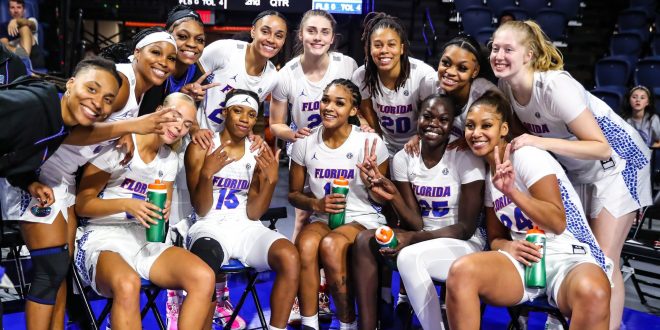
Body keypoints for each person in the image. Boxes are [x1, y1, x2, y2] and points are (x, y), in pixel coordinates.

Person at [490, 20, 651, 329]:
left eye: (508, 49)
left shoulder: (554, 86)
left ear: (529, 54)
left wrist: (539, 141)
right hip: (579, 169)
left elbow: (601, 148)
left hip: (620, 164)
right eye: (495, 48)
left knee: (603, 258)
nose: (498, 55)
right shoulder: (507, 88)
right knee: (581, 254)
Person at [445, 91, 611, 330]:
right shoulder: (490, 172)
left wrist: (513, 193)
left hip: (567, 254)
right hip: (525, 260)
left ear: (503, 129)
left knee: (593, 291)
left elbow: (556, 222)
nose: (476, 133)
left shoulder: (526, 156)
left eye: (486, 125)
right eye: (470, 126)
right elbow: (496, 238)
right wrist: (509, 246)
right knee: (462, 272)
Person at [74, 93, 215, 330]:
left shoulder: (169, 159)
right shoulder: (120, 146)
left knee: (204, 277)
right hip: (105, 236)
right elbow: (82, 205)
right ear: (160, 109)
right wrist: (127, 205)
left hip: (145, 239)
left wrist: (165, 209)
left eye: (187, 124)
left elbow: (162, 205)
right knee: (128, 284)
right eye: (176, 116)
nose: (179, 127)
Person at [352, 94, 486, 330]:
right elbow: (415, 222)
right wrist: (394, 195)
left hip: (463, 243)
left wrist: (414, 238)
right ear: (417, 118)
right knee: (364, 240)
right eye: (428, 116)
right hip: (423, 236)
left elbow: (465, 228)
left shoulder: (465, 158)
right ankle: (368, 325)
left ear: (452, 124)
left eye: (443, 119)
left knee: (408, 255)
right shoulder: (404, 157)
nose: (434, 123)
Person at [184, 89, 300, 330]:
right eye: (238, 111)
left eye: (250, 114)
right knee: (204, 270)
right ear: (225, 112)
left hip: (245, 226)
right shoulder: (202, 146)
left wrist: (271, 181)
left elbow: (254, 213)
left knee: (289, 256)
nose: (244, 119)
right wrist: (207, 173)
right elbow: (202, 208)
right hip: (209, 225)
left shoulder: (258, 150)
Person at [289, 78, 389, 330]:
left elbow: (381, 200)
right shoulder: (304, 142)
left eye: (339, 103)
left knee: (332, 246)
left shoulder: (371, 143)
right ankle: (310, 323)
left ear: (353, 111)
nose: (329, 107)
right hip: (323, 217)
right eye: (325, 100)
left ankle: (347, 322)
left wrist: (372, 183)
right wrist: (316, 204)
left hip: (362, 217)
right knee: (306, 243)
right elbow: (293, 194)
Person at [194, 10, 288, 146]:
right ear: (253, 31)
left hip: (225, 146)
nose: (271, 39)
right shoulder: (224, 50)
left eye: (279, 36)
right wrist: (194, 128)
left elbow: (249, 113)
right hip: (195, 137)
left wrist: (252, 134)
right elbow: (186, 86)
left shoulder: (272, 77)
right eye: (265, 31)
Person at [352, 12, 435, 156]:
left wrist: (420, 137)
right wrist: (377, 142)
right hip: (387, 143)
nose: (384, 50)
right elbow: (367, 113)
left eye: (391, 44)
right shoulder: (361, 76)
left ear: (402, 49)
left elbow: (433, 116)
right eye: (378, 45)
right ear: (369, 48)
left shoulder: (423, 75)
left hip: (420, 141)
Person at [407, 35, 497, 154]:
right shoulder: (430, 83)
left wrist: (469, 140)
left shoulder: (486, 95)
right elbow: (423, 116)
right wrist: (419, 135)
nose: (450, 72)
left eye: (462, 68)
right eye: (446, 63)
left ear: (475, 71)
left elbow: (499, 136)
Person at [0, 0, 45, 68]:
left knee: (24, 27)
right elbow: (4, 45)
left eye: (19, 7)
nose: (16, 10)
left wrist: (16, 21)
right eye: (12, 7)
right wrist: (21, 53)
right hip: (14, 60)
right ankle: (24, 58)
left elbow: (31, 24)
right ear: (9, 10)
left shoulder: (31, 20)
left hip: (33, 59)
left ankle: (25, 61)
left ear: (24, 10)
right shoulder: (3, 26)